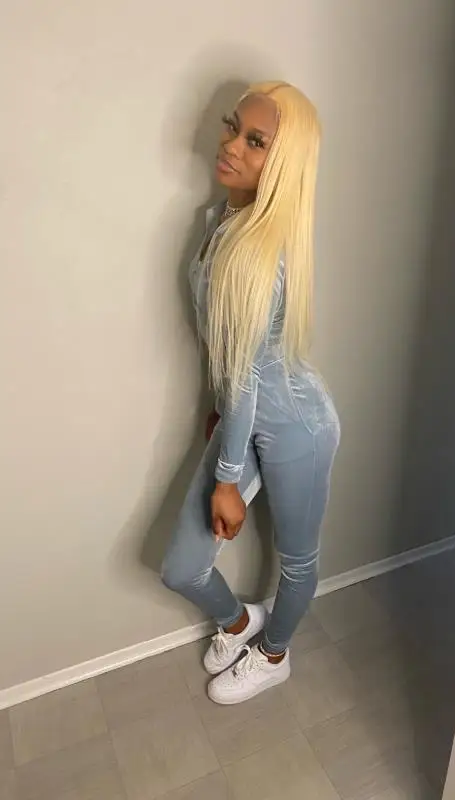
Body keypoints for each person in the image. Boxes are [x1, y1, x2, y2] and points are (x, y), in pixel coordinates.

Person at [161, 81, 340, 705]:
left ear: (283, 163)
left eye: (256, 141)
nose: (231, 145)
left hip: (296, 426)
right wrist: (222, 421)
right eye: (233, 127)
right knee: (182, 568)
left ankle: (273, 654)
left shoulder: (261, 254)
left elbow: (245, 372)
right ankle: (241, 624)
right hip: (243, 412)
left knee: (298, 560)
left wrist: (228, 479)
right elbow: (228, 355)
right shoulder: (220, 222)